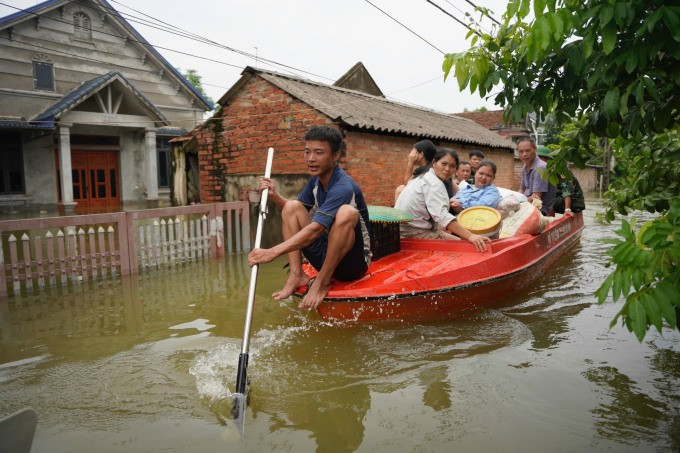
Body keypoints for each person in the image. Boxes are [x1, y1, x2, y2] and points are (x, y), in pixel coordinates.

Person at [248, 126, 371, 310]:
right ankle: (296, 274)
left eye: (319, 153)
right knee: (292, 206)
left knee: (346, 212)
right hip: (327, 252)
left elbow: (315, 230)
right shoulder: (316, 180)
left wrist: (272, 252)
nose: (311, 158)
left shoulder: (344, 186)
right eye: (307, 152)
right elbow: (294, 213)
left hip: (352, 261)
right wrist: (275, 196)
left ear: (335, 156)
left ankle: (322, 282)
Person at [394, 148, 491, 251]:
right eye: (443, 164)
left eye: (452, 166)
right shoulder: (433, 184)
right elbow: (443, 217)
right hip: (412, 234)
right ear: (434, 163)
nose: (447, 169)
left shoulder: (424, 176)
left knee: (459, 238)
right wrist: (471, 236)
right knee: (465, 247)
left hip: (404, 229)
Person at [536, 146, 585, 216]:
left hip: (575, 203)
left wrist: (567, 209)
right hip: (559, 199)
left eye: (540, 159)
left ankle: (549, 218)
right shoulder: (542, 172)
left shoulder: (560, 170)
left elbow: (567, 191)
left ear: (548, 159)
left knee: (546, 202)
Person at [518, 137, 555, 216]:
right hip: (528, 203)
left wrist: (519, 204)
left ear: (535, 149)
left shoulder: (540, 167)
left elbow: (536, 197)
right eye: (521, 151)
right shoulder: (525, 167)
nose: (524, 154)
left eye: (528, 150)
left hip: (541, 208)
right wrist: (516, 199)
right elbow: (521, 189)